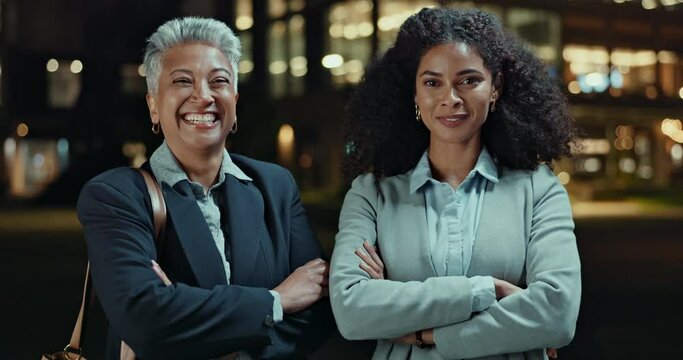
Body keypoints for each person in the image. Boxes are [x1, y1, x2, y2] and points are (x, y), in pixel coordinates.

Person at [329, 7, 581, 360]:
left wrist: (423, 332)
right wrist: (485, 289)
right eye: (432, 83)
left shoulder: (539, 190)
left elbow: (557, 315)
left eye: (469, 80)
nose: (451, 98)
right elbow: (352, 311)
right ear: (414, 94)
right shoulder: (372, 194)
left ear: (496, 88)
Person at [77, 17, 334, 359]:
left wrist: (190, 320)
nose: (203, 96)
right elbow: (145, 320)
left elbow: (320, 310)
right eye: (183, 81)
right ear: (153, 104)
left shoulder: (275, 187)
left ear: (235, 99)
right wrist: (277, 301)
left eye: (219, 81)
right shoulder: (117, 196)